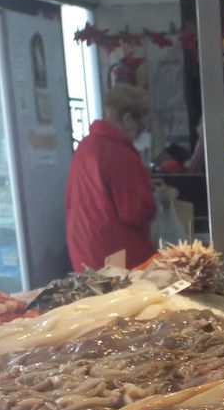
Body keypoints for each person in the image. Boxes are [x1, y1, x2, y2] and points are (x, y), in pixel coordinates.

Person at [65, 83, 157, 271]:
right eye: (141, 126)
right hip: (116, 256)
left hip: (83, 250)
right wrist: (155, 200)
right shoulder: (120, 151)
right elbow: (135, 211)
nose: (140, 133)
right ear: (128, 119)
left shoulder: (86, 145)